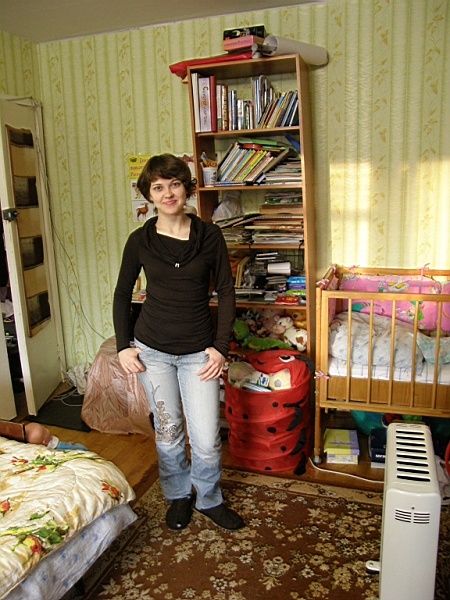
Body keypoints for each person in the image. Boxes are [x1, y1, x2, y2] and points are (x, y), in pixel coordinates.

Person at [113, 153, 244, 532]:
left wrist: (221, 347)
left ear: (186, 188)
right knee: (169, 433)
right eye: (158, 187)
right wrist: (123, 346)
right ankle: (178, 496)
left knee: (206, 439)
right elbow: (122, 294)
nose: (168, 193)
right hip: (152, 352)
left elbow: (226, 291)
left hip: (199, 353)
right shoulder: (139, 241)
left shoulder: (210, 236)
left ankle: (209, 498)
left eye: (174, 184)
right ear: (148, 195)